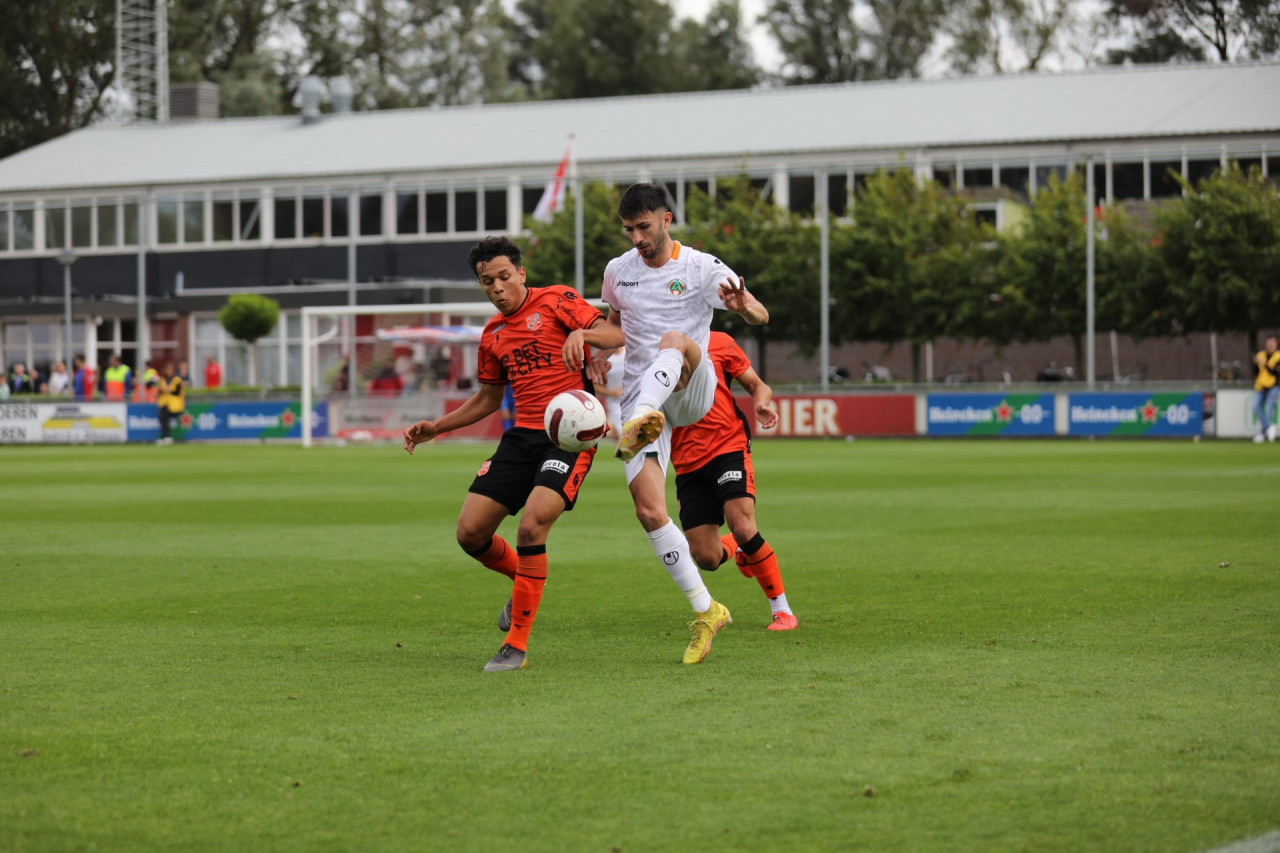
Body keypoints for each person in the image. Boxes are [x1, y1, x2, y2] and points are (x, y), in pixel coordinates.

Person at [403, 236, 622, 672]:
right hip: (520, 438)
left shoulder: (557, 300)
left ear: (521, 273)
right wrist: (437, 428)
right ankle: (526, 578)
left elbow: (615, 332)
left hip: (568, 437)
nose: (498, 287)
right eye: (488, 281)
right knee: (470, 534)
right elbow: (487, 400)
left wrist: (583, 333)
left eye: (505, 276)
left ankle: (515, 646)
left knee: (532, 526)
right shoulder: (493, 335)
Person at [586, 181, 769, 665]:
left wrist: (742, 306)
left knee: (675, 338)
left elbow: (760, 314)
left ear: (667, 219)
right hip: (643, 408)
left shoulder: (702, 267)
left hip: (692, 387)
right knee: (649, 511)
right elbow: (615, 325)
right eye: (628, 229)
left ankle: (643, 413)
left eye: (643, 227)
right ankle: (707, 610)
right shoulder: (617, 272)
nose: (635, 238)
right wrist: (595, 346)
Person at [671, 332, 796, 630]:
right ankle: (740, 548)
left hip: (728, 445)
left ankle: (782, 611)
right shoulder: (653, 349)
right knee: (707, 558)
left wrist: (761, 403)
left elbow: (757, 385)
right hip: (686, 461)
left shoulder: (718, 341)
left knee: (741, 523)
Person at [1252, 334, 1280, 443]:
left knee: (1268, 409)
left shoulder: (1278, 356)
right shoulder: (1261, 355)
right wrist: (1255, 364)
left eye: (1272, 344)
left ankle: (1262, 433)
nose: (1270, 346)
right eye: (1268, 344)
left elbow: (1276, 373)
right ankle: (1268, 427)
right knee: (1254, 406)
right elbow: (1256, 372)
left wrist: (1265, 364)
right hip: (1261, 386)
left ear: (1276, 344)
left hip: (1273, 386)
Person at [596, 345, 625, 447]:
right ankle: (631, 462)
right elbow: (595, 386)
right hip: (615, 403)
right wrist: (612, 393)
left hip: (634, 398)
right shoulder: (602, 359)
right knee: (625, 436)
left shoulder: (629, 352)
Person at [155, 361, 186, 445]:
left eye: (171, 370)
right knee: (162, 419)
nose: (169, 371)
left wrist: (167, 390)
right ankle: (166, 437)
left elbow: (177, 392)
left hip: (175, 405)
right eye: (167, 370)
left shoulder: (177, 380)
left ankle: (166, 437)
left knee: (164, 418)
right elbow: (159, 391)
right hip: (165, 404)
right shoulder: (162, 379)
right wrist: (162, 390)